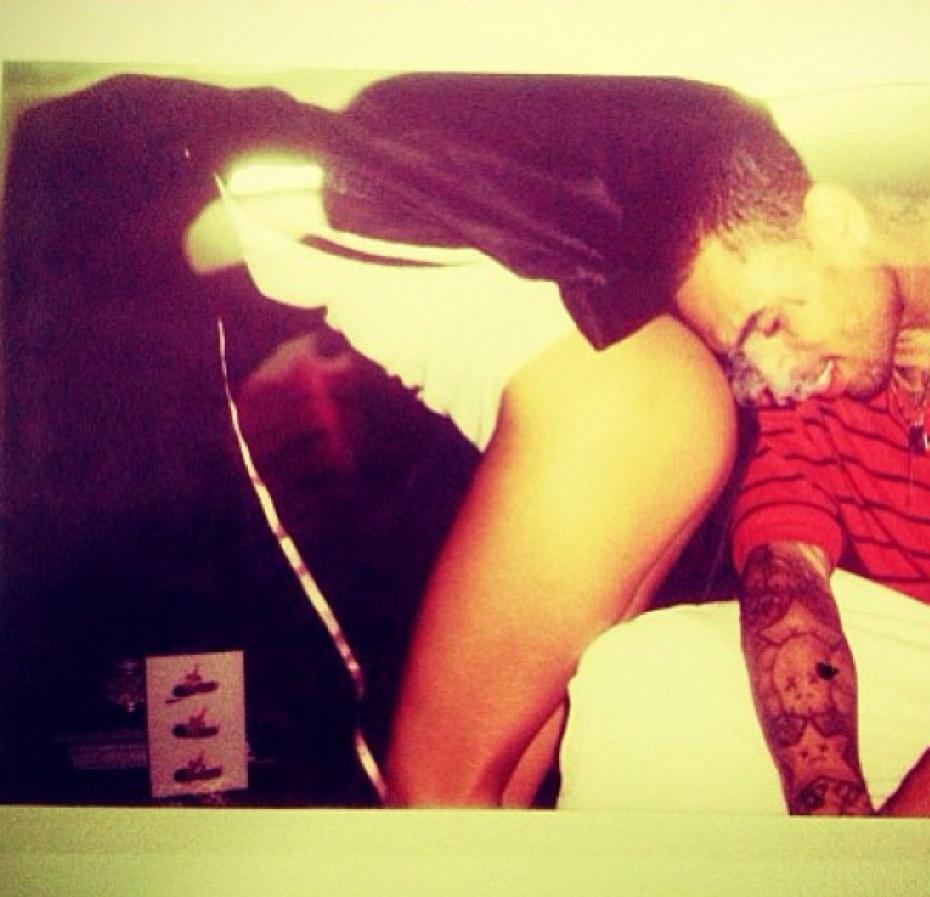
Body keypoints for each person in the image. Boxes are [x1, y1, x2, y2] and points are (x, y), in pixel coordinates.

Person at [186, 72, 818, 807]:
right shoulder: (546, 180)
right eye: (768, 330)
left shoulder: (236, 163)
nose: (778, 366)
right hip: (639, 415)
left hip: (616, 406)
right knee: (483, 807)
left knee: (439, 800)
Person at [558, 184, 930, 815]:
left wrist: (885, 854)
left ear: (839, 225)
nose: (778, 376)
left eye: (773, 324)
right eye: (745, 355)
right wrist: (831, 815)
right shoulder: (813, 382)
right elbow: (785, 571)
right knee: (639, 673)